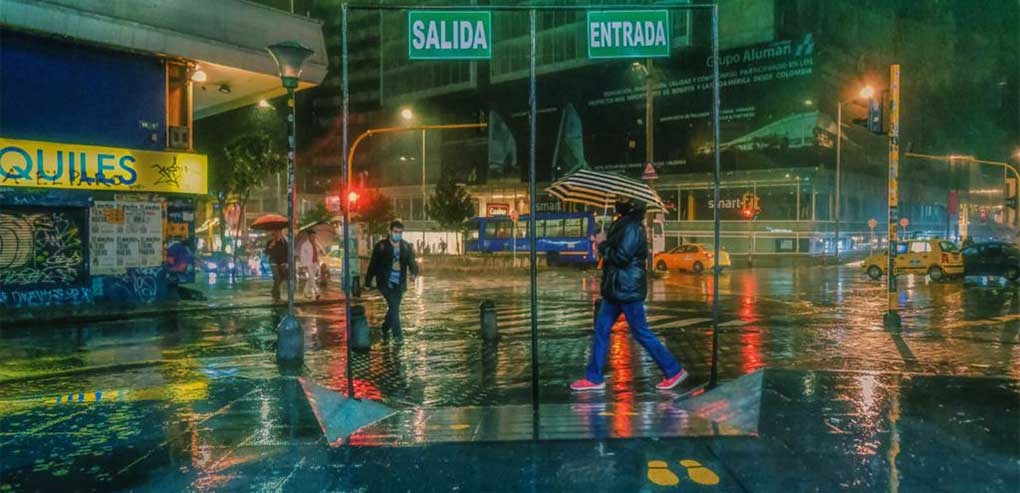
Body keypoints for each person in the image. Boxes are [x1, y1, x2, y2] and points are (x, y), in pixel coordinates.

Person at [571, 199, 687, 392]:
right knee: (601, 329)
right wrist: (606, 241)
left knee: (641, 332)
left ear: (632, 206)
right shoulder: (624, 223)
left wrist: (602, 246)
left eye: (622, 200)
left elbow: (622, 257)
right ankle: (594, 377)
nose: (618, 202)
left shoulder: (632, 227)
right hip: (616, 289)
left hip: (627, 289)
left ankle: (673, 370)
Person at [365, 221, 419, 340]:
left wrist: (413, 273)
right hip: (385, 282)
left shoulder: (405, 246)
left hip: (399, 283)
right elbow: (373, 264)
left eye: (400, 232)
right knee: (394, 307)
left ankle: (385, 328)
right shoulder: (381, 246)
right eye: (395, 232)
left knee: (394, 307)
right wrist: (367, 282)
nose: (397, 234)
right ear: (390, 232)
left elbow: (412, 262)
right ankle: (398, 336)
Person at [300, 231, 324, 300]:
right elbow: (302, 256)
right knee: (312, 279)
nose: (313, 237)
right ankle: (317, 292)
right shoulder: (304, 245)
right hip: (308, 264)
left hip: (315, 263)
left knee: (310, 279)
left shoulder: (316, 243)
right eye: (312, 236)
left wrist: (320, 248)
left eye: (314, 236)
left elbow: (320, 252)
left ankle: (305, 293)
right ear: (309, 236)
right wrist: (304, 265)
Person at [266, 229, 288, 303]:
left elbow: (286, 252)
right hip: (273, 262)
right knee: (277, 277)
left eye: (278, 233)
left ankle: (273, 290)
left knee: (283, 276)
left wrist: (285, 262)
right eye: (275, 233)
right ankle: (277, 295)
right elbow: (267, 252)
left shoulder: (284, 242)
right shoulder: (270, 242)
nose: (277, 234)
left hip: (282, 263)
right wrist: (271, 246)